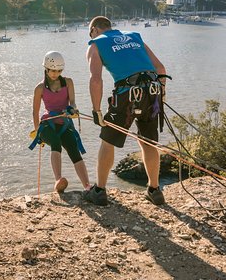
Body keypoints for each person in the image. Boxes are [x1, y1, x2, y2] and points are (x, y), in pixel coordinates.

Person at [84, 16, 169, 206]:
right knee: (148, 142)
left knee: (108, 140)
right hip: (151, 91)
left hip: (127, 93)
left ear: (94, 30)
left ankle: (99, 191)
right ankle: (155, 190)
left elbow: (96, 79)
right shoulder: (135, 36)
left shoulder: (95, 44)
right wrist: (160, 96)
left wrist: (97, 111)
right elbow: (160, 68)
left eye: (90, 33)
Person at [30, 51, 91, 193]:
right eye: (53, 71)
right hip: (46, 125)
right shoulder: (39, 88)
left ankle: (87, 186)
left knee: (73, 148)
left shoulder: (68, 82)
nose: (55, 74)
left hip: (64, 123)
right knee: (56, 142)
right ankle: (58, 180)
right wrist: (37, 131)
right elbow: (35, 111)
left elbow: (73, 103)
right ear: (46, 68)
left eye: (59, 71)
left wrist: (73, 109)